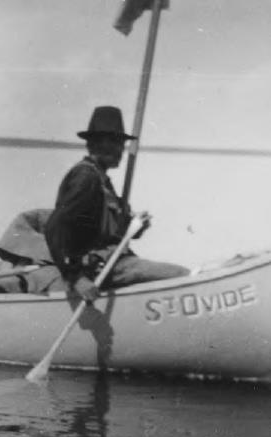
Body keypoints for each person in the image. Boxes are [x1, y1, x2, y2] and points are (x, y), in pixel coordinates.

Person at [43, 106, 188, 300]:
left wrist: (135, 226)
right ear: (95, 143)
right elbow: (55, 228)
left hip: (115, 261)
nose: (120, 149)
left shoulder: (102, 180)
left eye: (120, 143)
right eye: (115, 142)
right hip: (99, 267)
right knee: (181, 277)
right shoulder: (86, 177)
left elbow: (111, 231)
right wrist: (76, 277)